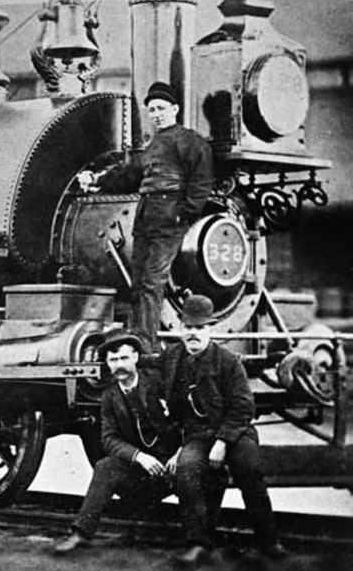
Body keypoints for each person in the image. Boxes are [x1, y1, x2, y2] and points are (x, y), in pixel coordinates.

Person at [78, 81, 213, 351]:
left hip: (168, 216)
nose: (157, 114)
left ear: (175, 109)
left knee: (152, 281)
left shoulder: (190, 141)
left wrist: (183, 214)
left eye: (162, 108)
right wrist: (96, 179)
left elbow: (201, 180)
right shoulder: (153, 146)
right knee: (138, 282)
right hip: (145, 216)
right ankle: (138, 337)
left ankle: (147, 345)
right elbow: (129, 175)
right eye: (152, 110)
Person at [163, 295, 286, 565]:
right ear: (180, 328)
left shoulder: (228, 360)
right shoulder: (172, 357)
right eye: (188, 327)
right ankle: (198, 542)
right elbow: (147, 363)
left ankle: (269, 541)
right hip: (196, 436)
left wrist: (222, 443)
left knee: (248, 469)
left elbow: (244, 407)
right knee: (186, 470)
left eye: (200, 328)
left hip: (235, 432)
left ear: (211, 328)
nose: (193, 334)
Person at [54, 331, 179, 554]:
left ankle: (199, 541)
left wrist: (179, 454)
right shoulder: (110, 396)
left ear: (136, 358)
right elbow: (109, 439)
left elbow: (186, 420)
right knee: (105, 467)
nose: (119, 365)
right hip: (141, 469)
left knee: (192, 470)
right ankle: (80, 533)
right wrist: (139, 457)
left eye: (123, 358)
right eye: (113, 360)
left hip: (172, 465)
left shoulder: (159, 384)